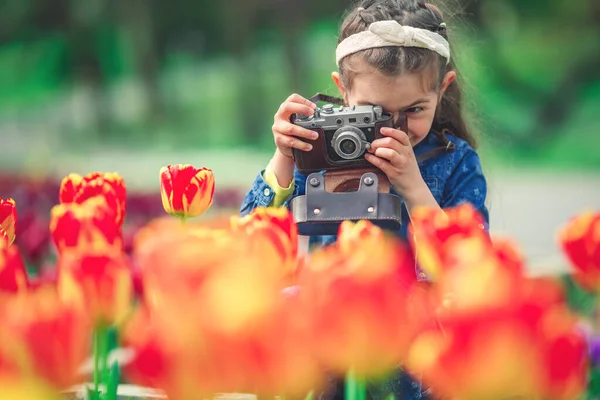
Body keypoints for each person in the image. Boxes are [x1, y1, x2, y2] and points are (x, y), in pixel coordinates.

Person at [240, 0, 489, 398]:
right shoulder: (321, 150)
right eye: (373, 113)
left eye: (413, 110)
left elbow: (474, 265)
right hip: (328, 344)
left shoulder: (454, 160)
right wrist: (284, 158)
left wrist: (413, 186)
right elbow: (250, 241)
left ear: (443, 89)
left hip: (414, 352)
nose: (395, 130)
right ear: (342, 90)